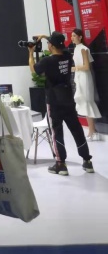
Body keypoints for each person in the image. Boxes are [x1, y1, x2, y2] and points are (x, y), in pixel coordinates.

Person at [30, 32, 94, 175]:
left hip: (54, 101)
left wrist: (30, 53)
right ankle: (87, 161)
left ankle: (61, 164)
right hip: (68, 99)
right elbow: (58, 46)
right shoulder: (67, 56)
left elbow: (34, 70)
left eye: (49, 43)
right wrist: (45, 37)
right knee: (77, 129)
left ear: (51, 46)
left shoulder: (47, 61)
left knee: (57, 132)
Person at [71, 28, 101, 141]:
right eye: (72, 36)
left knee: (87, 103)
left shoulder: (84, 49)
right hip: (80, 77)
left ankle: (92, 132)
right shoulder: (76, 48)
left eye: (74, 36)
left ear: (80, 37)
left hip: (84, 78)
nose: (72, 38)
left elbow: (87, 66)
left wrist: (74, 68)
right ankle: (92, 131)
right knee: (85, 103)